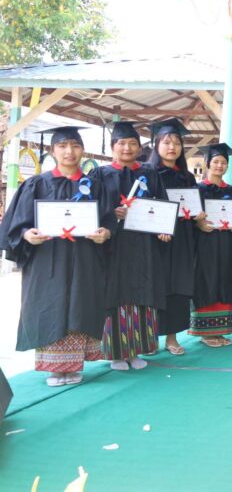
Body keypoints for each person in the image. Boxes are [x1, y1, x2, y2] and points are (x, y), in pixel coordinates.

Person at [0, 127, 113, 386]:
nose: (69, 151)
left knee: (79, 304)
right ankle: (53, 366)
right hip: (46, 258)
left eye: (74, 145)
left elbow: (108, 221)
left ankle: (73, 365)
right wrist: (28, 234)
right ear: (53, 151)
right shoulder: (36, 184)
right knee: (49, 304)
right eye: (62, 146)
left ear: (82, 150)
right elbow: (17, 224)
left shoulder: (94, 186)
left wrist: (105, 233)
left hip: (84, 258)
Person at [91, 121, 170, 371]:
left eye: (132, 143)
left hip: (144, 246)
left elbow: (162, 205)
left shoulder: (149, 173)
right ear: (113, 146)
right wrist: (109, 211)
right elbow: (89, 207)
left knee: (143, 290)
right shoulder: (100, 175)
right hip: (113, 246)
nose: (127, 147)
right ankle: (116, 353)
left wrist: (164, 229)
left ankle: (136, 350)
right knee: (116, 293)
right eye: (122, 143)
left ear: (140, 147)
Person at [148, 119, 203, 356]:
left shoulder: (188, 178)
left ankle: (171, 337)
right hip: (155, 240)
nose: (172, 147)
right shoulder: (147, 174)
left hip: (181, 239)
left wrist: (198, 216)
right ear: (156, 144)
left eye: (177, 143)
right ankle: (150, 338)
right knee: (155, 286)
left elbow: (191, 208)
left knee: (179, 286)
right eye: (166, 142)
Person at [191, 143, 232, 348]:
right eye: (215, 162)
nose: (219, 166)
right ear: (207, 164)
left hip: (227, 245)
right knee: (208, 282)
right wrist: (197, 223)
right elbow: (188, 219)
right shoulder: (197, 189)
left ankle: (221, 331)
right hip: (205, 245)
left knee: (226, 281)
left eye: (223, 162)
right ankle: (206, 333)